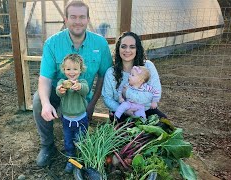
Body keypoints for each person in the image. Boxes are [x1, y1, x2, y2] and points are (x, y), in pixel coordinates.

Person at [32, 0, 113, 168]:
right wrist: (47, 104)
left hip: (82, 94)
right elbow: (45, 78)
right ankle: (48, 146)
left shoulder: (100, 43)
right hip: (59, 93)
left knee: (80, 134)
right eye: (73, 17)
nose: (78, 21)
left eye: (82, 17)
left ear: (88, 19)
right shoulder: (52, 43)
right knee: (39, 101)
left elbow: (104, 76)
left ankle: (80, 152)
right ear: (66, 19)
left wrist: (91, 105)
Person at [102, 31, 167, 122]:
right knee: (128, 134)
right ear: (118, 49)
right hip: (120, 111)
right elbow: (107, 98)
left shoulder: (147, 67)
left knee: (163, 123)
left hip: (145, 110)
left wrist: (128, 93)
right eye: (123, 46)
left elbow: (155, 93)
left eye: (132, 47)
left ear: (137, 49)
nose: (127, 50)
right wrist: (125, 110)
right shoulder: (111, 72)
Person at [56, 54, 89, 173]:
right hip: (67, 120)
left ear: (81, 70)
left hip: (81, 119)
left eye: (75, 69)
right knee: (68, 141)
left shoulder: (82, 82)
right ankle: (71, 159)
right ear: (64, 70)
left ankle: (81, 158)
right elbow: (58, 92)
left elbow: (85, 90)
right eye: (68, 69)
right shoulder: (62, 82)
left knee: (81, 140)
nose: (72, 72)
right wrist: (60, 89)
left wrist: (79, 87)